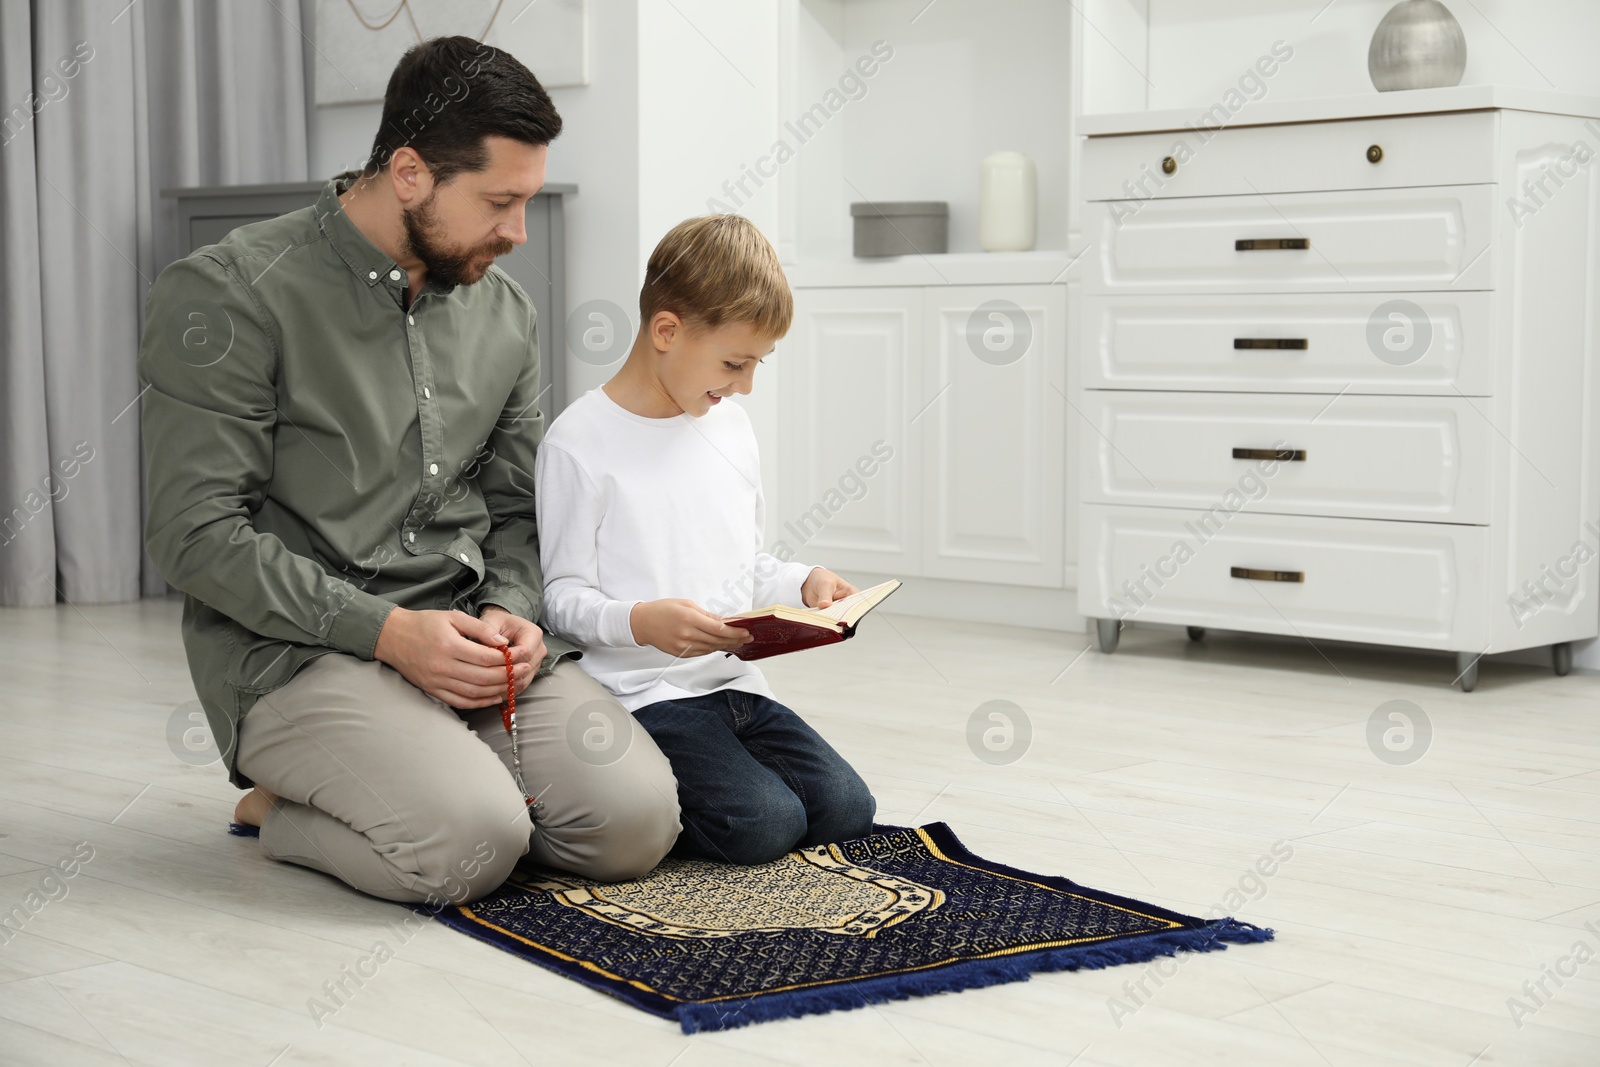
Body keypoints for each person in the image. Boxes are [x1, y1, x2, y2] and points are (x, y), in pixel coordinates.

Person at [138, 36, 679, 907]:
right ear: (410, 172)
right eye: (500, 202)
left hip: (464, 633)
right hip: (297, 654)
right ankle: (279, 810)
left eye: (528, 201)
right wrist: (389, 634)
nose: (517, 232)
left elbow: (514, 506)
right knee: (473, 846)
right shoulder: (229, 293)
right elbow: (194, 535)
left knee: (636, 825)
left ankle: (427, 780)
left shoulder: (506, 313)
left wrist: (508, 606)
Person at [534, 214, 877, 865]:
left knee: (846, 809)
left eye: (756, 365)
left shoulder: (731, 428)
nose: (744, 385)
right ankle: (646, 799)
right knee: (763, 824)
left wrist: (800, 582)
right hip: (644, 695)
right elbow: (561, 600)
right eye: (734, 362)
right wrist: (641, 621)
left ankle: (726, 781)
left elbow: (743, 565)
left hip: (734, 683)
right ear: (667, 330)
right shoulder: (579, 444)